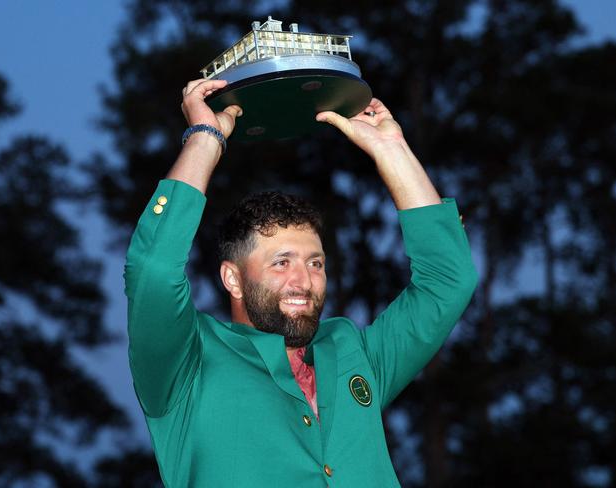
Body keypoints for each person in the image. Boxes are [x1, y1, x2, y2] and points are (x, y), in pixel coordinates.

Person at [124, 78, 478, 487]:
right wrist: (205, 139)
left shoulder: (352, 353)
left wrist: (390, 151)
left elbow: (449, 281)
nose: (303, 281)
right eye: (281, 263)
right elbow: (152, 269)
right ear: (232, 278)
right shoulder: (186, 364)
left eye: (316, 263)